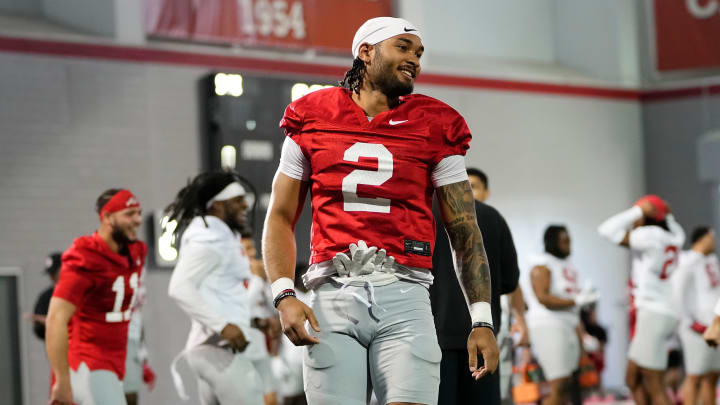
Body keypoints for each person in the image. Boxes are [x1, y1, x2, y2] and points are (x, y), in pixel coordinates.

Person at [263, 16, 498, 405]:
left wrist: (482, 319)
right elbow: (280, 215)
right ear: (366, 52)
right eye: (403, 47)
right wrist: (284, 293)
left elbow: (464, 229)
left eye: (419, 53)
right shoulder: (312, 115)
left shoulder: (436, 123)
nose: (415, 60)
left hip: (406, 294)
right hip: (333, 294)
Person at [166, 171, 267, 405]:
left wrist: (254, 322)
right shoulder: (210, 241)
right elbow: (179, 287)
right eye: (238, 199)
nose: (245, 204)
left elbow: (220, 293)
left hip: (214, 348)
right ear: (218, 205)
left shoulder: (220, 237)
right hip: (215, 347)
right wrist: (224, 327)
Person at [45, 189, 147, 405]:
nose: (138, 220)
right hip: (87, 362)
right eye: (129, 214)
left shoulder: (135, 252)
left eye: (139, 213)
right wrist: (62, 380)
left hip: (115, 359)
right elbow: (56, 318)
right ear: (108, 217)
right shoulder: (86, 256)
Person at [430, 167, 521, 405]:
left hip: (431, 335)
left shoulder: (423, 214)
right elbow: (510, 279)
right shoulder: (493, 217)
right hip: (482, 338)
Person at [598, 195, 685, 405]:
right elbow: (671, 224)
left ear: (647, 214)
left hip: (653, 313)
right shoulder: (675, 234)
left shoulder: (649, 235)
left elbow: (606, 230)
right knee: (633, 378)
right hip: (662, 312)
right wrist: (665, 213)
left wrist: (636, 211)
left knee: (654, 382)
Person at [524, 225, 599, 405]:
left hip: (568, 324)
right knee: (558, 383)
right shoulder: (542, 263)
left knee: (567, 383)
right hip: (548, 324)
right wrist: (576, 300)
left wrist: (580, 330)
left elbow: (572, 303)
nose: (568, 244)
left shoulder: (568, 265)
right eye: (564, 240)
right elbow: (542, 297)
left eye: (569, 240)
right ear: (553, 241)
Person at [673, 226, 719, 405]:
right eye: (712, 237)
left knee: (712, 374)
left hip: (714, 324)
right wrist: (688, 321)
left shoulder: (711, 260)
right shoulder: (687, 260)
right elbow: (677, 292)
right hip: (695, 327)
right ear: (703, 238)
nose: (714, 242)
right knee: (694, 375)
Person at [122, 270, 156, 405]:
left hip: (133, 341)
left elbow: (138, 317)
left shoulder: (138, 272)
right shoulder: (114, 269)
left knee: (131, 397)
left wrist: (143, 354)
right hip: (116, 341)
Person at [31, 252, 62, 340]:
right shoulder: (46, 296)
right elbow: (39, 331)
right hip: (57, 344)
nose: (51, 277)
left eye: (54, 272)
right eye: (50, 273)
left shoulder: (79, 291)